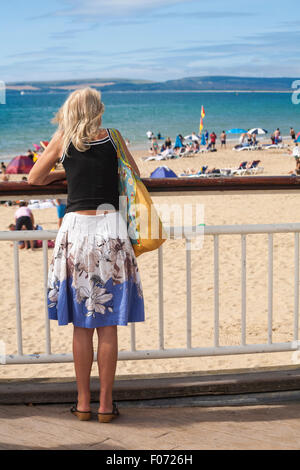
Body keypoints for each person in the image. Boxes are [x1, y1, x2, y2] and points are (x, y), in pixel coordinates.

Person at [28, 87, 144, 423]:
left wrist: (66, 173)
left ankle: (82, 404)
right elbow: (132, 175)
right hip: (110, 229)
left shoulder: (63, 139)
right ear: (99, 110)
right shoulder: (114, 138)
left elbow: (34, 178)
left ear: (68, 111)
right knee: (107, 326)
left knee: (82, 325)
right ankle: (106, 405)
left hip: (76, 232)